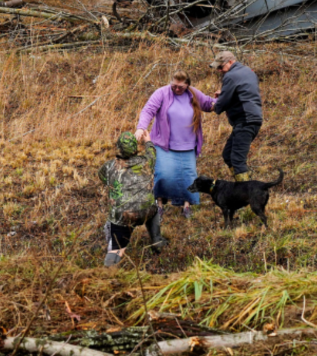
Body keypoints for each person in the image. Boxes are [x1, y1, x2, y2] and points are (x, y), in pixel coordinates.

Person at [134, 71, 216, 219]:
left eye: (181, 86)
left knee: (188, 177)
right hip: (165, 144)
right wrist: (141, 127)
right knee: (164, 175)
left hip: (188, 145)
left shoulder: (193, 94)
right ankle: (159, 204)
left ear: (187, 85)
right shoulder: (162, 93)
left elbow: (209, 104)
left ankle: (186, 206)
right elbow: (148, 110)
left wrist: (223, 98)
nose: (177, 89)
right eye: (174, 86)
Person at [98, 132, 165, 268]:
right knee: (153, 208)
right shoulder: (147, 161)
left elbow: (103, 178)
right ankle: (157, 241)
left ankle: (107, 270)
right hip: (147, 211)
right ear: (135, 149)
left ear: (119, 149)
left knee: (117, 249)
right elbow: (152, 151)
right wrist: (147, 140)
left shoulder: (109, 166)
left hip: (124, 216)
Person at [209, 50, 263, 182]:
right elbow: (242, 92)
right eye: (218, 68)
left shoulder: (231, 76)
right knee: (227, 154)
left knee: (237, 159)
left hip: (245, 119)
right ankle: (245, 187)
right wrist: (224, 93)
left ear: (231, 62)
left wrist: (212, 105)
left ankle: (247, 194)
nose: (220, 70)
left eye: (221, 67)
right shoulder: (248, 72)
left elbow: (223, 102)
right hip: (252, 118)